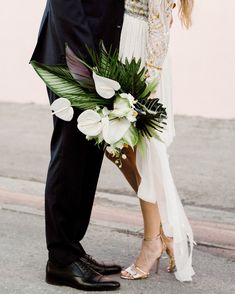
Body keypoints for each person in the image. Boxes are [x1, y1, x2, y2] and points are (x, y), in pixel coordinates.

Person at [30, 0, 125, 291]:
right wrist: (91, 63)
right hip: (73, 56)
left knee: (89, 150)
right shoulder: (84, 58)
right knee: (70, 153)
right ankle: (60, 259)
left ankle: (73, 249)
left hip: (98, 56)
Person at [106, 0, 196, 282]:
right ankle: (166, 230)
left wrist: (148, 83)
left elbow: (159, 26)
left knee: (145, 153)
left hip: (143, 59)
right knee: (119, 149)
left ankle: (152, 241)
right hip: (126, 47)